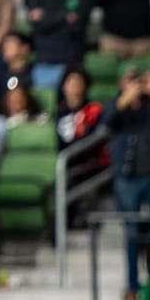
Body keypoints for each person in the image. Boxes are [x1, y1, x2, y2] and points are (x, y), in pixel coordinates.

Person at [102, 66, 150, 300]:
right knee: (132, 235)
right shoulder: (116, 106)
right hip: (128, 176)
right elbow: (107, 120)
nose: (136, 85)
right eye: (131, 80)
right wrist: (126, 97)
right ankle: (132, 290)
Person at [27, 0, 92, 86]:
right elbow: (37, 25)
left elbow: (77, 26)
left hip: (72, 64)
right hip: (45, 62)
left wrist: (47, 16)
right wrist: (65, 16)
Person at [56, 68, 107, 228]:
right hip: (66, 163)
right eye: (70, 82)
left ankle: (74, 223)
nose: (74, 86)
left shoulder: (94, 110)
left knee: (71, 181)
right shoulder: (58, 113)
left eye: (78, 82)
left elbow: (96, 139)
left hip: (88, 163)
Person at [0, 32, 32, 113]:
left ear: (25, 49)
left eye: (10, 44)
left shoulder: (34, 72)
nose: (5, 48)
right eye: (4, 45)